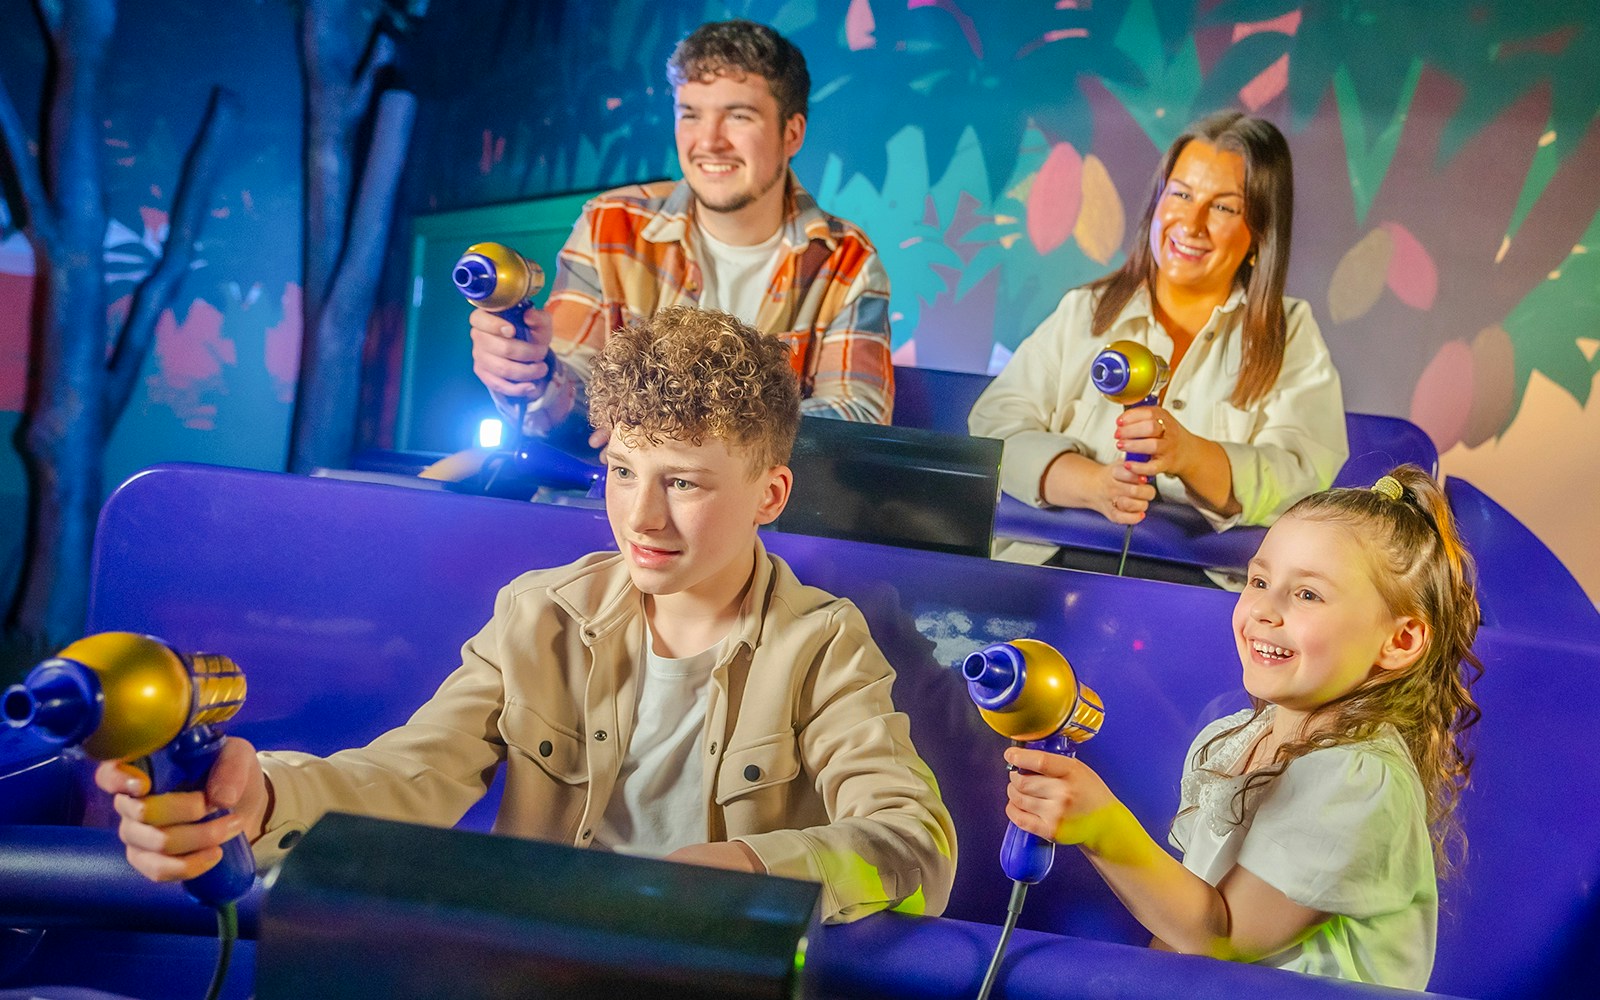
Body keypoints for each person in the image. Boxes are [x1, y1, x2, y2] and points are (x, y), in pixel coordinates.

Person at [95, 307, 954, 924]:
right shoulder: (540, 612)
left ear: (770, 494)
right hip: (538, 968)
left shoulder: (824, 644)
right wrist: (264, 798)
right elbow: (411, 775)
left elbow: (912, 844)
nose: (642, 518)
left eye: (683, 483)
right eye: (624, 473)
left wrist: (746, 870)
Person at [1004, 465, 1482, 989]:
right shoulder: (1233, 739)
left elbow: (1220, 934)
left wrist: (1102, 826)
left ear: (1400, 641)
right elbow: (1180, 930)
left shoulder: (1360, 779)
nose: (1264, 611)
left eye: (1308, 594)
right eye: (1259, 581)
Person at [470, 19, 894, 450]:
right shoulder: (610, 224)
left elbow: (856, 424)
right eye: (690, 115)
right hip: (609, 491)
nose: (709, 141)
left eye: (738, 116)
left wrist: (674, 428)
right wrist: (532, 374)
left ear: (792, 134)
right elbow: (573, 401)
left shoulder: (848, 261)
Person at [969, 111, 1347, 575]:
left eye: (1224, 208)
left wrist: (1190, 454)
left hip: (1204, 585)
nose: (1192, 223)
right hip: (1055, 568)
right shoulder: (1084, 312)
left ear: (1259, 233)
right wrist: (1093, 484)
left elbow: (1303, 478)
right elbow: (993, 427)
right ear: (1157, 201)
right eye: (1181, 194)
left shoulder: (1290, 333)